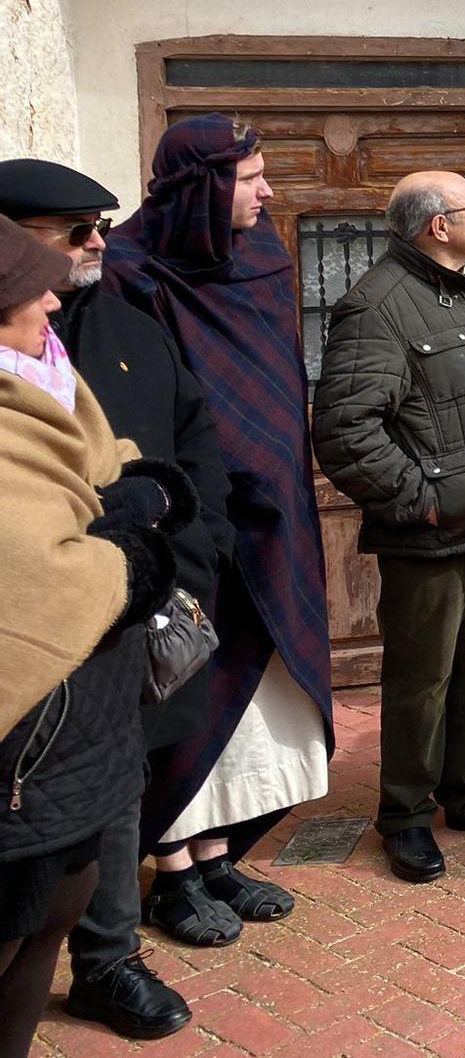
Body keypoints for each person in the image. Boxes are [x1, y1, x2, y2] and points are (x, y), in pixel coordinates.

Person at [0, 161, 233, 1039]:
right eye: (74, 230)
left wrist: (191, 552)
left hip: (121, 637)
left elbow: (189, 443)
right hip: (40, 678)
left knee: (109, 800)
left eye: (102, 225)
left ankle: (107, 960)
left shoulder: (122, 327)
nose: (99, 243)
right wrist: (132, 553)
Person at [103, 114, 333, 944]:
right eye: (251, 177)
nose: (268, 192)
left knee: (246, 689)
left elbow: (270, 388)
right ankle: (171, 873)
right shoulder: (132, 273)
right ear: (203, 187)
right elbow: (141, 409)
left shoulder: (262, 259)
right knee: (186, 688)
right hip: (188, 523)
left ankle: (215, 854)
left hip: (272, 512)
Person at [313, 172, 465, 883]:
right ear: (435, 228)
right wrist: (422, 500)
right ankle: (406, 817)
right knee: (420, 681)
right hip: (432, 529)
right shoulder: (377, 307)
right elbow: (346, 429)